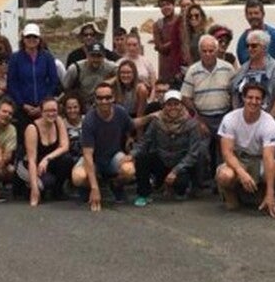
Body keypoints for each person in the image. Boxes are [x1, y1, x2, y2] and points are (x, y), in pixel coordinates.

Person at [215, 80, 275, 217]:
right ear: (243, 98)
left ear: (262, 101)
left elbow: (268, 157)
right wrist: (241, 172)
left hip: (260, 159)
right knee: (225, 176)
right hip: (238, 159)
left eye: (258, 98)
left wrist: (270, 192)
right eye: (250, 97)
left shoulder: (269, 122)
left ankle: (265, 193)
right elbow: (227, 152)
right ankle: (230, 193)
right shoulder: (230, 119)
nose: (253, 101)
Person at [131, 90, 205, 206]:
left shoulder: (191, 124)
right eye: (169, 105)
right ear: (164, 106)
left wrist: (175, 171)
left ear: (182, 106)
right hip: (162, 160)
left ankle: (190, 187)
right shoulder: (157, 121)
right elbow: (145, 141)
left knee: (181, 185)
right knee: (142, 158)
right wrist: (132, 154)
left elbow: (193, 153)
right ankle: (143, 194)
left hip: (181, 164)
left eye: (176, 104)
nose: (173, 107)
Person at [71, 82, 137, 211]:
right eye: (100, 98)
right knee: (78, 177)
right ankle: (91, 187)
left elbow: (132, 125)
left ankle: (115, 185)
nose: (104, 101)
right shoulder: (89, 120)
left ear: (113, 98)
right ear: (95, 100)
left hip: (113, 156)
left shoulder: (120, 112)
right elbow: (88, 155)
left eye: (108, 97)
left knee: (129, 170)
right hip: (94, 159)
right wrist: (94, 188)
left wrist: (152, 116)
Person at [181, 35, 235, 188]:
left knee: (224, 152)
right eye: (204, 51)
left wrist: (231, 116)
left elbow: (234, 93)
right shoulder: (193, 71)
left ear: (217, 51)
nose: (208, 54)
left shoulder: (228, 68)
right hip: (202, 117)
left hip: (224, 116)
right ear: (199, 52)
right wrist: (198, 119)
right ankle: (198, 185)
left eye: (211, 51)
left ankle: (222, 186)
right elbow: (185, 97)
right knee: (200, 151)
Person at [7, 23, 61, 143]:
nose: (31, 39)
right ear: (23, 38)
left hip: (43, 108)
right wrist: (22, 104)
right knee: (23, 139)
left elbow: (53, 81)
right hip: (22, 108)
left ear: (39, 39)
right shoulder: (15, 58)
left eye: (34, 37)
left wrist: (43, 103)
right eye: (28, 37)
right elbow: (12, 83)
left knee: (43, 139)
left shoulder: (47, 57)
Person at [18, 96, 71, 205]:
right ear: (41, 112)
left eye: (54, 110)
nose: (51, 114)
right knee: (45, 184)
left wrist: (47, 159)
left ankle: (57, 191)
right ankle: (26, 186)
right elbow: (31, 160)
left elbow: (65, 146)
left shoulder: (58, 121)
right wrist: (34, 189)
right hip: (29, 165)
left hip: (45, 163)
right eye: (47, 111)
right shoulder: (32, 128)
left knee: (67, 159)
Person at [231, 29, 275, 128]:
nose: (250, 49)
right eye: (248, 46)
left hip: (266, 121)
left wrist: (270, 119)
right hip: (244, 122)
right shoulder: (243, 68)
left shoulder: (274, 68)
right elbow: (234, 92)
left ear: (264, 47)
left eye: (254, 46)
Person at [235, 0, 275, 78]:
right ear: (246, 16)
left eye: (256, 13)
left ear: (263, 14)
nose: (253, 16)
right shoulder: (242, 41)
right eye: (250, 14)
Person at [62, 42, 117, 108]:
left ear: (104, 56)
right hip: (81, 105)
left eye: (99, 56)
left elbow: (123, 73)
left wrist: (111, 80)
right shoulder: (75, 68)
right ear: (87, 55)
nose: (95, 59)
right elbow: (65, 88)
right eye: (93, 56)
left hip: (102, 102)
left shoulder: (110, 66)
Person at [153, 0, 183, 86]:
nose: (165, 7)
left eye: (168, 4)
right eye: (162, 5)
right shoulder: (158, 25)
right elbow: (160, 48)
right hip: (165, 67)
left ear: (173, 5)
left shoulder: (182, 20)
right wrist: (176, 40)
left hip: (181, 65)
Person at [0, 99, 17, 201]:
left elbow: (8, 154)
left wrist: (0, 160)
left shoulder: (12, 129)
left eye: (10, 113)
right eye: (4, 111)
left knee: (11, 170)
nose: (7, 115)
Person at [179, 3, 210, 71]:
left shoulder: (207, 34)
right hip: (193, 70)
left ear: (202, 17)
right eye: (190, 16)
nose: (193, 18)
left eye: (196, 15)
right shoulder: (187, 35)